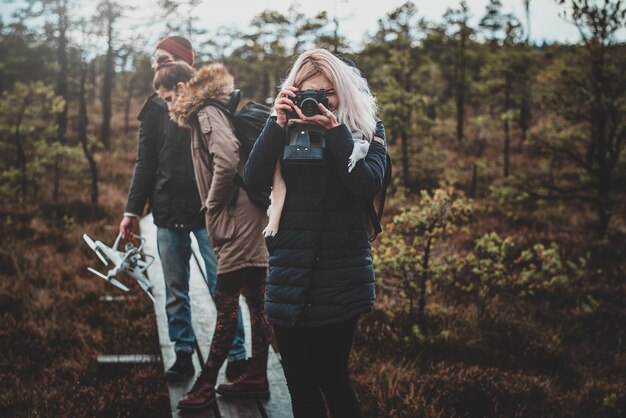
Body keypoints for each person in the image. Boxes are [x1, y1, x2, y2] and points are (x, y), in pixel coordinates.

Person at [243, 48, 387, 418]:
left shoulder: (367, 130)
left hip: (340, 276)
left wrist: (336, 133)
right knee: (300, 386)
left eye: (327, 93)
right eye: (309, 91)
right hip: (290, 272)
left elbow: (365, 185)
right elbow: (253, 178)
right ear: (294, 90)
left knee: (333, 381)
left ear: (343, 90)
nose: (317, 101)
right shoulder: (284, 126)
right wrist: (276, 123)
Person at [119, 35, 248, 383]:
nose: (155, 65)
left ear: (182, 63)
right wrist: (133, 211)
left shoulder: (208, 102)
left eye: (161, 58)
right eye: (152, 61)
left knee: (225, 285)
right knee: (175, 290)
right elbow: (144, 163)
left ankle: (237, 356)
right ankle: (183, 354)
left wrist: (221, 203)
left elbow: (227, 153)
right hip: (165, 212)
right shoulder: (154, 107)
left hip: (210, 213)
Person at [154, 61, 272, 411]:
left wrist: (212, 205)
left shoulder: (205, 111)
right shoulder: (211, 108)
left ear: (181, 89)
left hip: (238, 218)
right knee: (255, 297)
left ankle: (206, 385)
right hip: (248, 214)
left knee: (225, 301)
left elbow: (227, 157)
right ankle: (258, 374)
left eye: (167, 96)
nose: (167, 104)